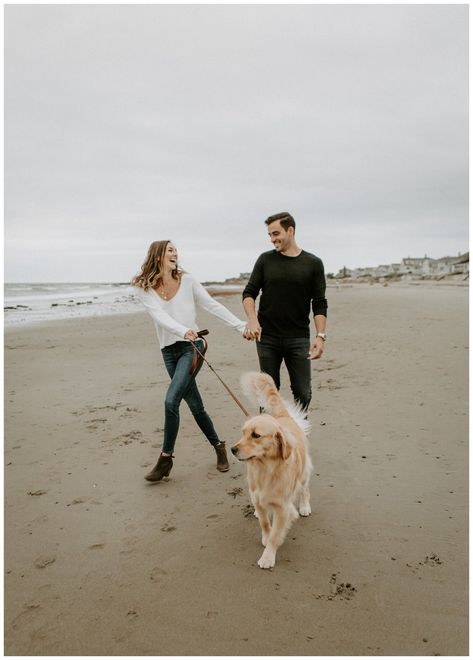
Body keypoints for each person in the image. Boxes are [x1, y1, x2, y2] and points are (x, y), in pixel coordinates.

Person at [132, 240, 248, 482]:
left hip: (193, 347)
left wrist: (240, 326)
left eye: (176, 250)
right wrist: (181, 330)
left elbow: (212, 305)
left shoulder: (188, 280)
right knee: (195, 405)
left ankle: (165, 459)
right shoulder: (144, 287)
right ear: (158, 256)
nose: (175, 253)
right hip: (169, 350)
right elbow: (158, 315)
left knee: (171, 400)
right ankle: (219, 446)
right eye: (170, 250)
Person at [242, 212, 328, 413]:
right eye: (270, 235)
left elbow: (319, 303)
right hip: (267, 337)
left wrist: (321, 336)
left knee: (303, 392)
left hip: (298, 337)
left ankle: (297, 430)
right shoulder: (265, 260)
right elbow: (249, 293)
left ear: (290, 230)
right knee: (268, 392)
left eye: (276, 233)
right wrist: (252, 320)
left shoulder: (313, 263)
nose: (272, 239)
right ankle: (269, 437)